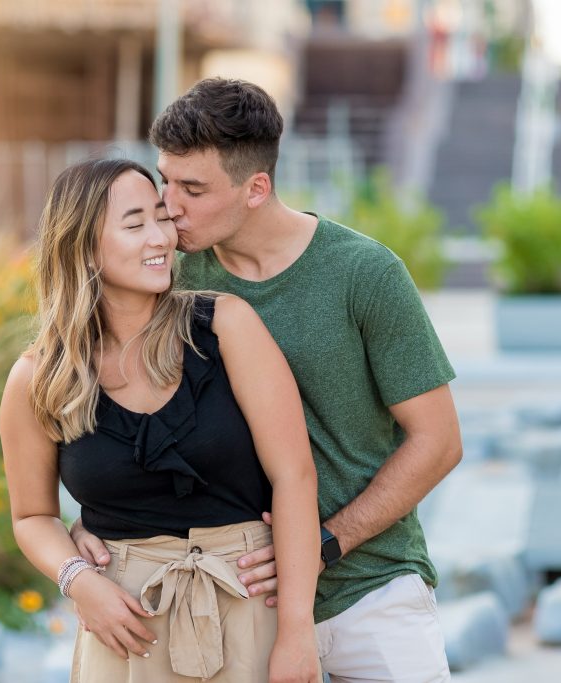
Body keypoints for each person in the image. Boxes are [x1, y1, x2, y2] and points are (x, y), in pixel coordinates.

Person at [72, 79, 463, 682]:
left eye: (192, 189)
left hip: (372, 589)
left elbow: (438, 442)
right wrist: (103, 515)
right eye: (165, 181)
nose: (169, 206)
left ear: (257, 188)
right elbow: (130, 408)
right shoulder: (167, 280)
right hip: (233, 601)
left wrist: (326, 543)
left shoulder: (364, 273)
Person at [0, 158, 321, 683]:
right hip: (123, 622)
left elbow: (294, 476)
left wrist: (297, 631)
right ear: (82, 249)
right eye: (134, 224)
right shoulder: (38, 377)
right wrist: (79, 581)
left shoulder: (226, 326)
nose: (161, 238)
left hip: (246, 601)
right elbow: (32, 516)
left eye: (161, 217)